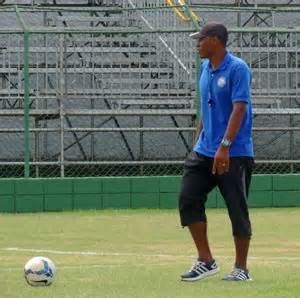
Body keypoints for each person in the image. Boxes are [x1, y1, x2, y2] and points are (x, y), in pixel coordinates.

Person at [179, 22, 254, 282]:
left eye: (200, 39)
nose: (197, 44)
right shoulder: (204, 68)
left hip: (234, 152)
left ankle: (241, 269)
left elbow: (239, 109)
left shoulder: (237, 69)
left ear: (215, 40)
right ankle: (206, 260)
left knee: (237, 208)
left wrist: (225, 145)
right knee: (188, 198)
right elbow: (207, 107)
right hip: (204, 150)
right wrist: (199, 138)